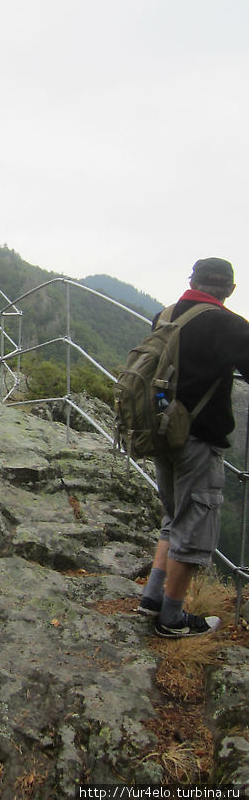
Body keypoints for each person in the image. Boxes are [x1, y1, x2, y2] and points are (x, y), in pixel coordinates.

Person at [137, 258, 249, 638]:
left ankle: (152, 596)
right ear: (230, 290)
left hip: (159, 430)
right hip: (197, 439)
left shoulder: (164, 314)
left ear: (192, 282)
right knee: (194, 525)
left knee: (173, 517)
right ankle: (172, 619)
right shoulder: (230, 325)